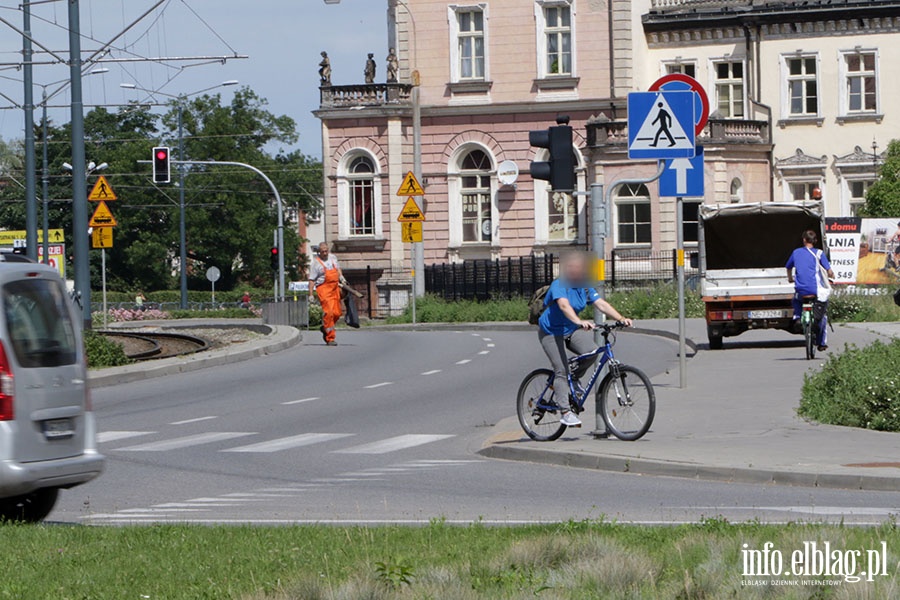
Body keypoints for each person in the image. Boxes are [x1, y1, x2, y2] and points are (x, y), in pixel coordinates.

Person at [538, 251, 633, 427]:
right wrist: (579, 321)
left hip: (571, 330)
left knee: (592, 352)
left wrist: (620, 318)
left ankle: (573, 378)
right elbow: (564, 305)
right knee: (561, 370)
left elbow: (601, 303)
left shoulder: (584, 285)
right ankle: (565, 412)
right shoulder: (559, 284)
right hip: (550, 332)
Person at [786, 230, 834, 352]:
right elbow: (828, 271)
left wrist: (790, 278)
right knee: (822, 315)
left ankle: (797, 315)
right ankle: (822, 342)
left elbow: (788, 266)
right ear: (815, 241)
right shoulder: (819, 253)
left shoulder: (796, 252)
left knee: (796, 299)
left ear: (804, 240)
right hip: (815, 291)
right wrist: (832, 276)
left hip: (801, 291)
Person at [309, 242, 343, 346]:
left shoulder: (333, 258)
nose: (325, 253)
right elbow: (311, 280)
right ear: (319, 251)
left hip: (334, 288)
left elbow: (338, 269)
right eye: (322, 251)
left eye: (326, 251)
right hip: (323, 289)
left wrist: (341, 277)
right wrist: (310, 294)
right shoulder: (316, 264)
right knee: (329, 313)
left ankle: (325, 328)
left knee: (337, 313)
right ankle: (330, 338)